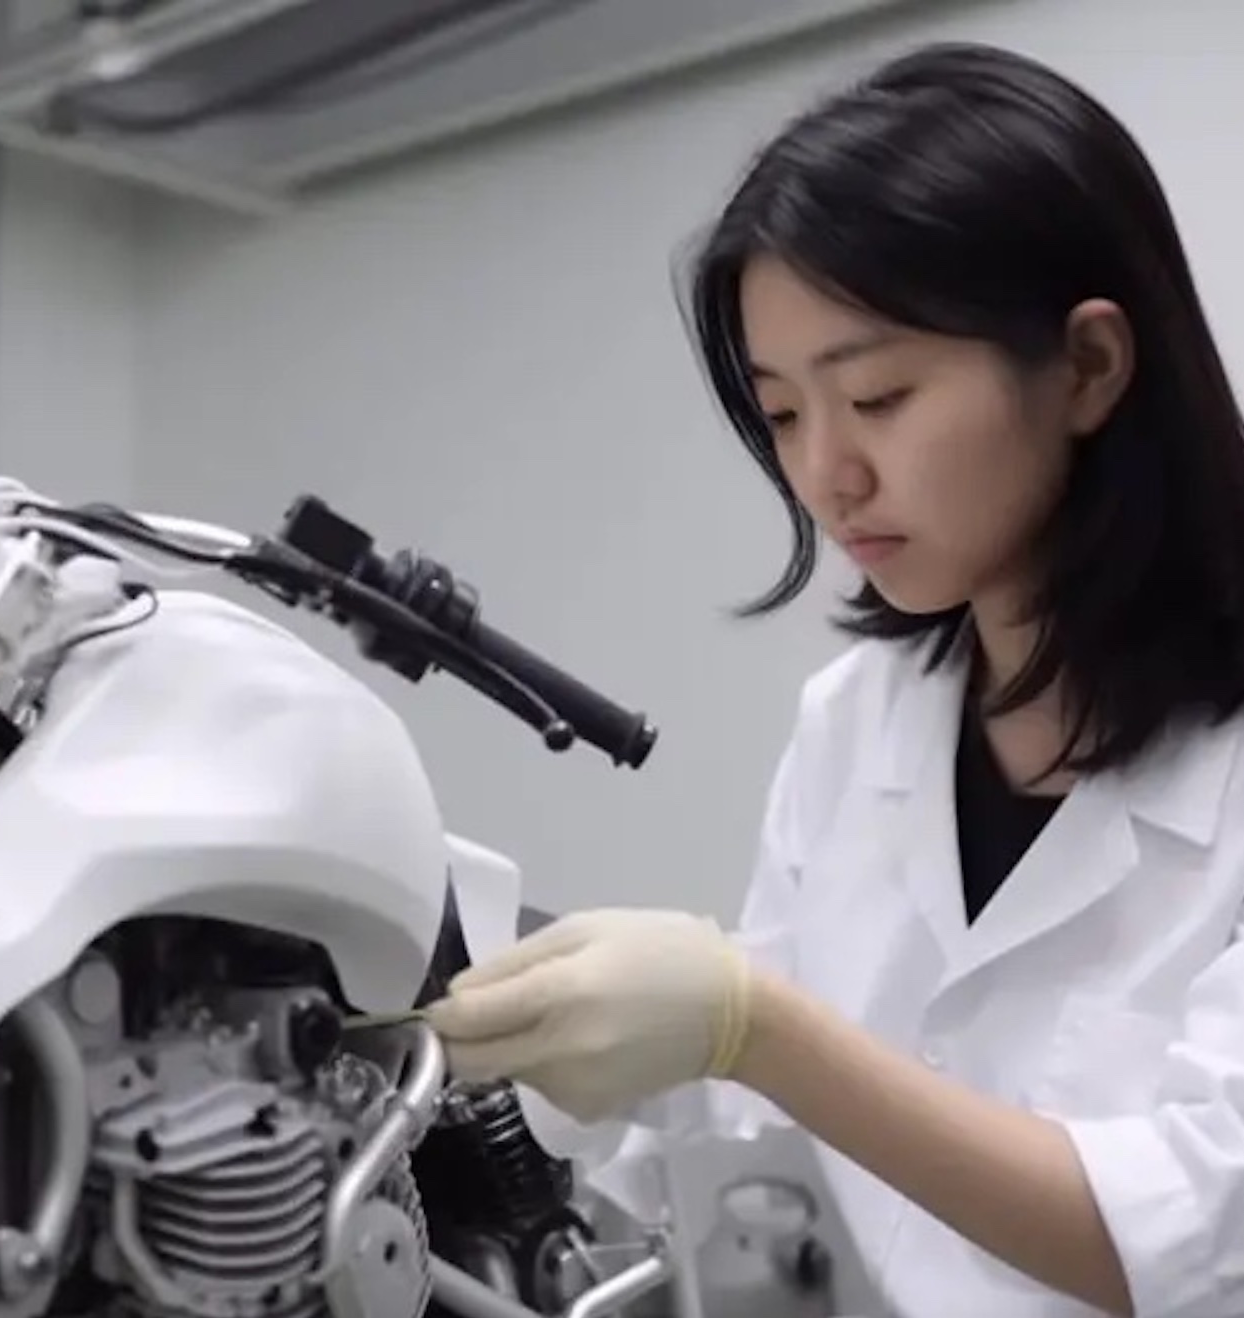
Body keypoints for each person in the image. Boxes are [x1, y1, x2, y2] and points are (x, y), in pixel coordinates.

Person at [423, 40, 1244, 1318]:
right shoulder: (857, 723)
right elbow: (751, 1152)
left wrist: (751, 1025)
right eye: (786, 413)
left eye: (877, 394)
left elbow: (1182, 1229)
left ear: (1086, 367)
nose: (826, 477)